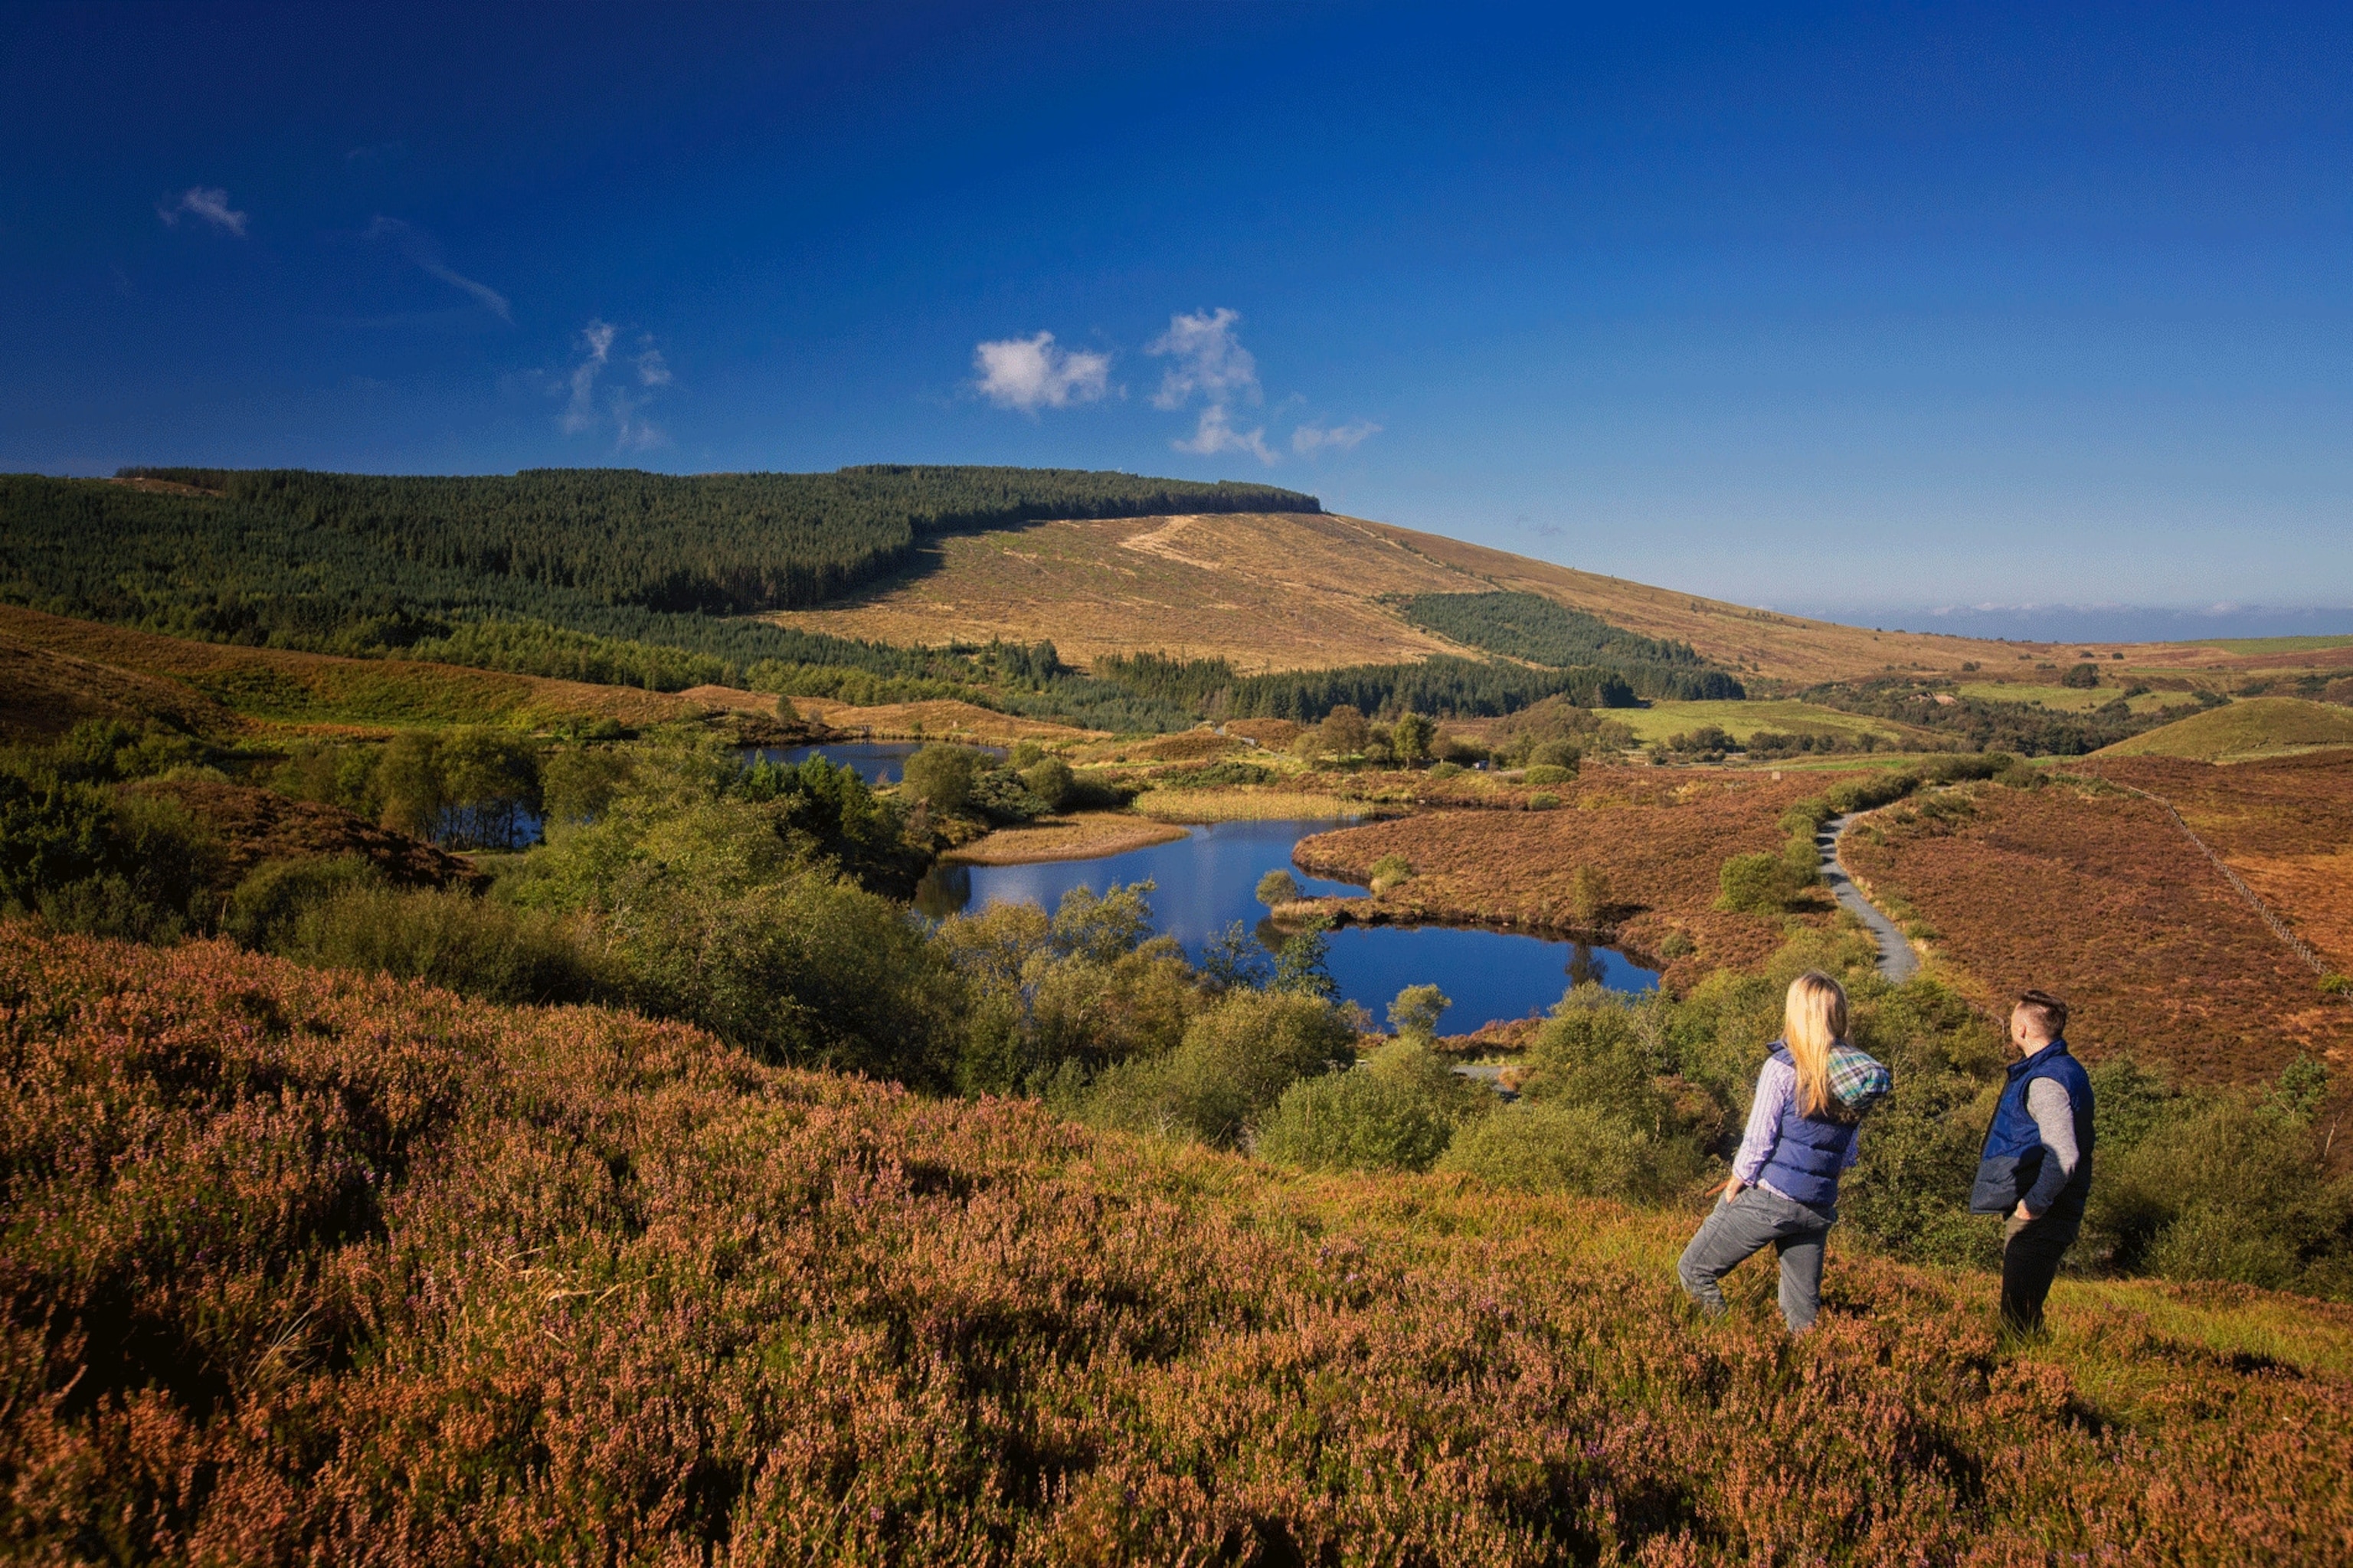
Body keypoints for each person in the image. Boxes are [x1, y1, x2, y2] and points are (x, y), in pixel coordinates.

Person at [1677, 971, 1891, 1334]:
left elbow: (1758, 1140)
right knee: (1801, 1311)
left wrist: (1738, 1181)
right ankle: (1808, 1368)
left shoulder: (1781, 1068)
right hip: (1818, 1206)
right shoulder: (1854, 1078)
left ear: (1797, 1014)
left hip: (1771, 1199)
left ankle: (1729, 1345)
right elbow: (1847, 1153)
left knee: (1694, 1270)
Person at [1970, 989, 2095, 1335]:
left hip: (2042, 1215)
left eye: (2013, 1019)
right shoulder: (2065, 1069)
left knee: (2018, 1319)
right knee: (2023, 1309)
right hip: (2048, 1209)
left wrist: (2032, 1206)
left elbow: (2064, 1154)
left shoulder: (2045, 1081)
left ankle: (2025, 1376)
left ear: (2023, 1029)